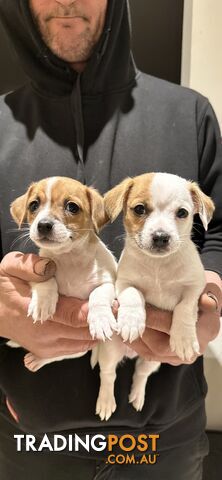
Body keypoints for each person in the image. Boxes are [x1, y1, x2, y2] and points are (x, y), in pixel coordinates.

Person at [0, 0, 221, 478]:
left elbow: (219, 232)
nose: (65, 0)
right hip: (29, 441)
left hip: (162, 441)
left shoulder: (191, 112)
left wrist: (209, 299)